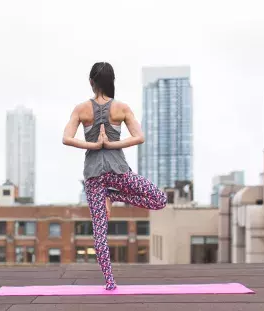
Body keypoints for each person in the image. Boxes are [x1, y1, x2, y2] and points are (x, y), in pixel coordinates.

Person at [62, 62, 167, 290]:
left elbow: (66, 138)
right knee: (160, 200)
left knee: (99, 231)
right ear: (111, 82)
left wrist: (96, 144)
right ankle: (115, 195)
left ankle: (110, 282)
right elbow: (139, 137)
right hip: (118, 172)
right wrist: (111, 144)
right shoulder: (121, 108)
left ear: (91, 82)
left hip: (94, 177)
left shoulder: (81, 109)